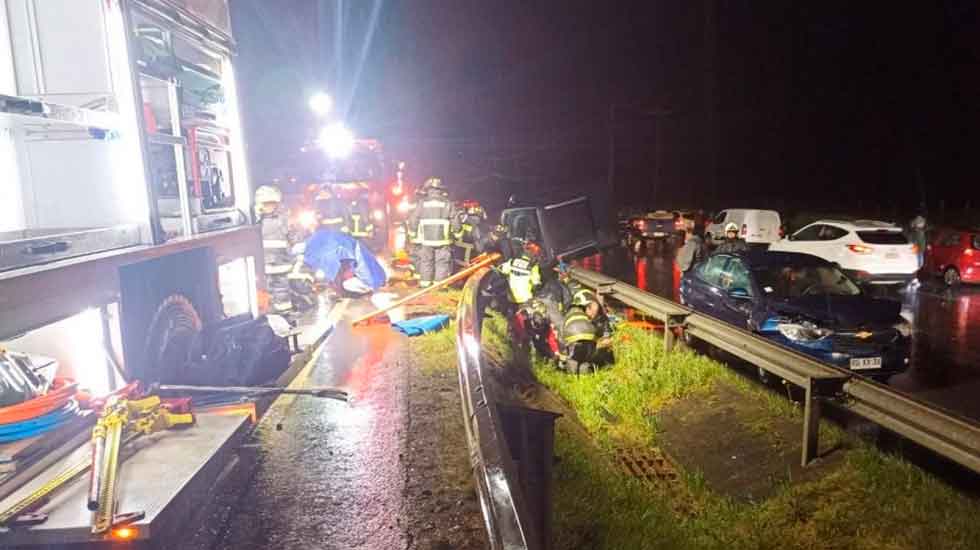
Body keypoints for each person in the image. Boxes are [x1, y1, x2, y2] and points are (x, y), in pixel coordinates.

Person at [408, 178, 459, 287]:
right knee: (442, 263)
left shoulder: (422, 203)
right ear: (441, 189)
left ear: (428, 189)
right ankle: (439, 286)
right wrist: (457, 233)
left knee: (426, 261)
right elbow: (455, 220)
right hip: (443, 239)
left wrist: (412, 233)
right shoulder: (447, 203)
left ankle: (425, 284)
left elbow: (414, 219)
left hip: (426, 239)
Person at [254, 184, 295, 313]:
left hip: (281, 264)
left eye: (272, 203)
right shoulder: (256, 222)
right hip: (263, 266)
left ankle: (285, 314)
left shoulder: (283, 220)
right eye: (266, 204)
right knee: (264, 292)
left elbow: (293, 237)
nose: (269, 207)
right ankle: (268, 315)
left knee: (282, 291)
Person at [558, 292, 601, 374]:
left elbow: (561, 335)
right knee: (585, 359)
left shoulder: (567, 315)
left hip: (573, 335)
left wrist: (562, 357)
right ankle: (585, 379)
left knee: (573, 359)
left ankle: (573, 379)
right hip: (590, 335)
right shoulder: (584, 314)